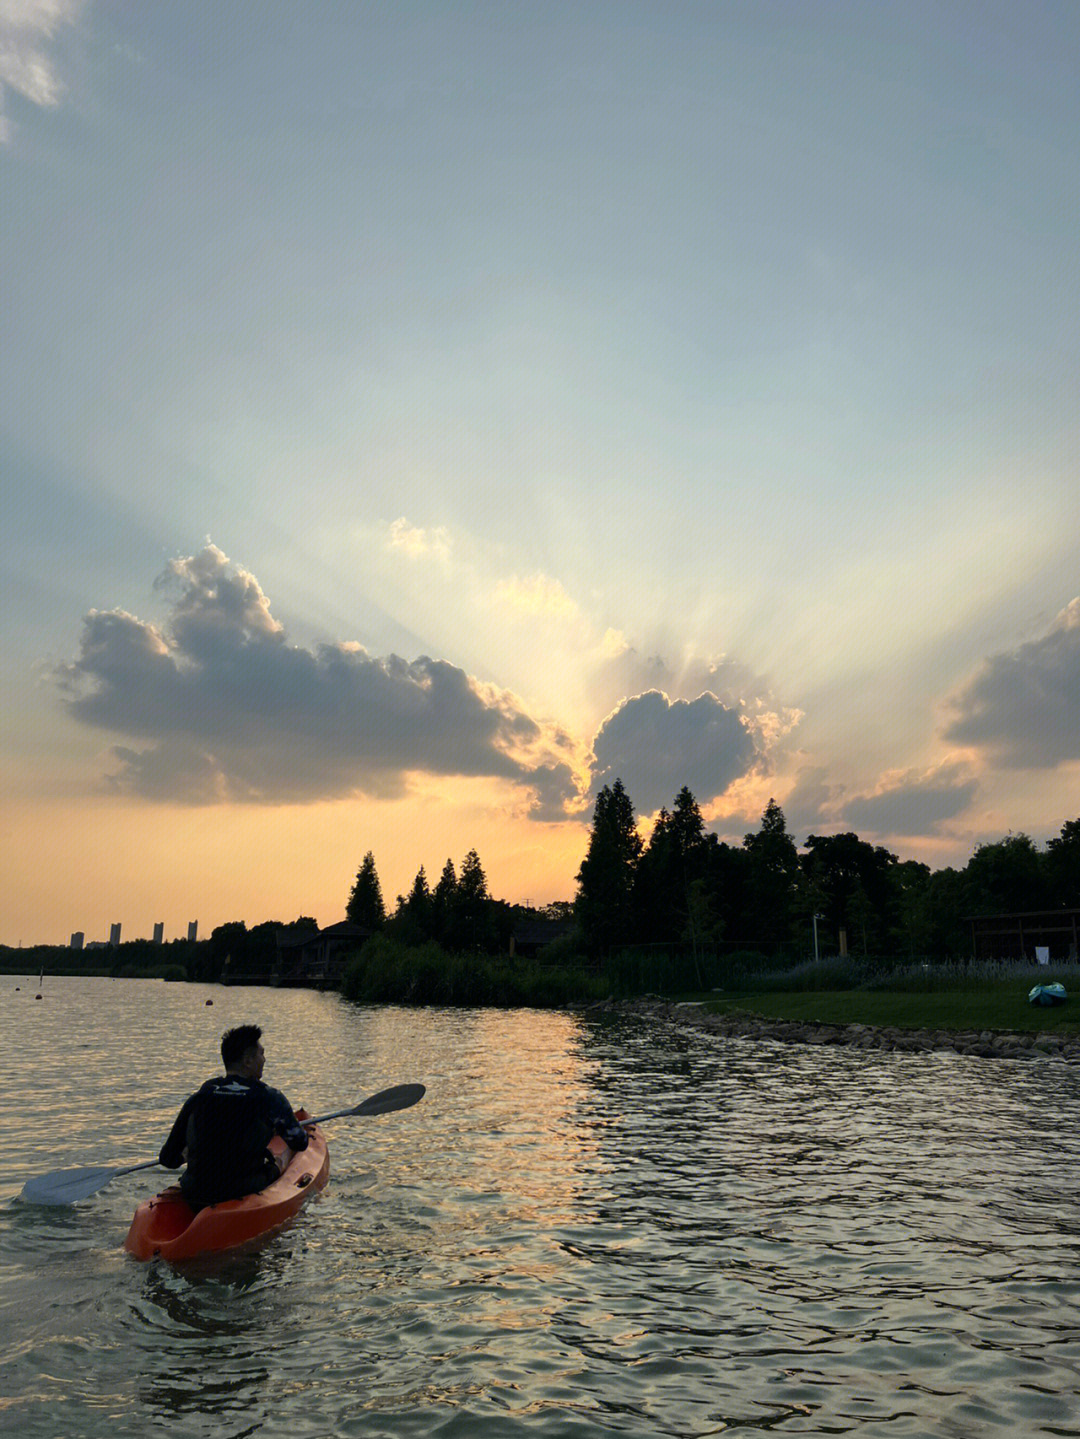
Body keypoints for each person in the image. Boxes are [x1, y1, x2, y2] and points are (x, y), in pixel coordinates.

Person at [159, 1024, 309, 1210]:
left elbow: (167, 1159)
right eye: (261, 1054)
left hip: (195, 1189)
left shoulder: (201, 1095)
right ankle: (275, 1169)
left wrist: (186, 1154)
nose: (264, 1059)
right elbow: (300, 1143)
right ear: (247, 1061)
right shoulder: (269, 1097)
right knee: (280, 1160)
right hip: (243, 1187)